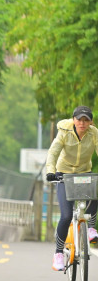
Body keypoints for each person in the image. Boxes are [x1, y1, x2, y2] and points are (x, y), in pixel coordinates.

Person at [46, 105, 98, 271]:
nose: (82, 123)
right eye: (79, 119)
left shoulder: (94, 133)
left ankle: (91, 228)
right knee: (66, 215)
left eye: (86, 120)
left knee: (95, 192)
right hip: (64, 175)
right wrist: (51, 171)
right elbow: (53, 153)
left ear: (91, 122)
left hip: (84, 173)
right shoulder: (64, 132)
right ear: (73, 120)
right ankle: (58, 254)